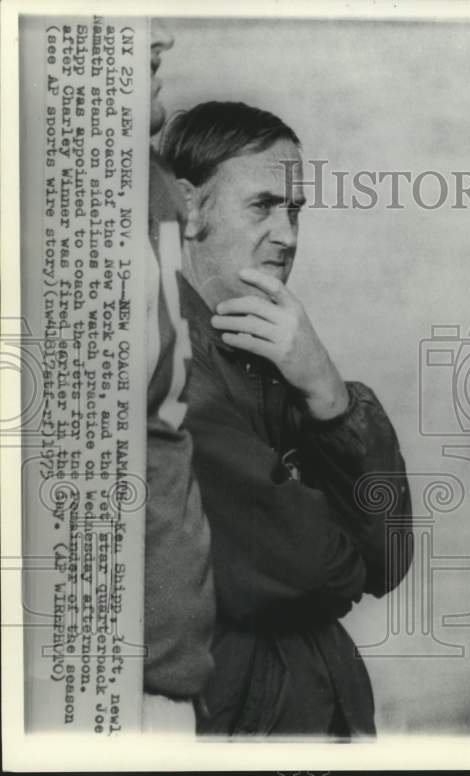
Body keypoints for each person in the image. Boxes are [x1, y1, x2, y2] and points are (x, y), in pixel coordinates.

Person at [160, 102, 413, 736]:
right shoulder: (170, 362)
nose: (289, 235)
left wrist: (329, 392)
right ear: (189, 208)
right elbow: (311, 572)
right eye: (263, 206)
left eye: (294, 209)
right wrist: (338, 531)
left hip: (305, 716)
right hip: (235, 728)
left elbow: (387, 559)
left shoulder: (272, 348)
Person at [142, 19, 216, 732]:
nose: (160, 32)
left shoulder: (149, 185)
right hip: (107, 672)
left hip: (165, 672)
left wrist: (334, 403)